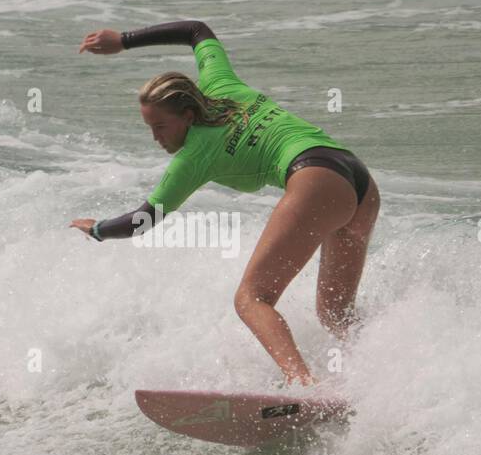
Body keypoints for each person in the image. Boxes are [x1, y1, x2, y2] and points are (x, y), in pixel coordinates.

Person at [71, 20, 380, 387]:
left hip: (315, 180)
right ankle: (381, 374)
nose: (155, 137)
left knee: (251, 299)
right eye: (149, 128)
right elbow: (197, 31)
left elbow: (144, 219)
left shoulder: (194, 156)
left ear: (187, 116)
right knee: (335, 314)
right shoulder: (221, 85)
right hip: (357, 179)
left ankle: (304, 386)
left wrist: (99, 230)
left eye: (160, 127)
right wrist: (123, 41)